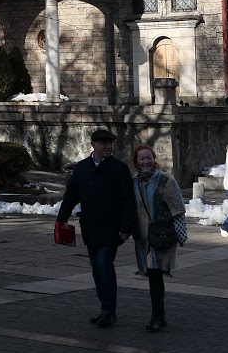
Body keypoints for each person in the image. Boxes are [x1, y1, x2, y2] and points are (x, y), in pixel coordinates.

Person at [56, 128, 137, 328]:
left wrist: (126, 226)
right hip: (90, 226)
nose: (108, 147)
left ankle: (109, 310)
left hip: (111, 227)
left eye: (110, 143)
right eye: (103, 143)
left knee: (104, 264)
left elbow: (128, 200)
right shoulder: (82, 168)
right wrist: (62, 218)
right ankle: (105, 308)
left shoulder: (119, 168)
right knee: (96, 268)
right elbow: (71, 194)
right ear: (93, 145)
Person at [131, 144, 186, 333]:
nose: (145, 161)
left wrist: (181, 235)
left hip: (161, 235)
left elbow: (178, 208)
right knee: (152, 275)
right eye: (141, 158)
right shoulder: (134, 183)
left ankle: (156, 316)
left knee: (155, 275)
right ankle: (160, 316)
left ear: (154, 158)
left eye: (148, 157)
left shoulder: (165, 180)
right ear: (136, 161)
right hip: (143, 238)